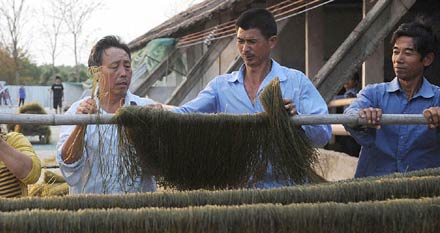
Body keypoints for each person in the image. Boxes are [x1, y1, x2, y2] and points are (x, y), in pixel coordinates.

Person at [174, 8, 331, 188]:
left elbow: (322, 135)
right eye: (240, 41)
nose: (245, 49)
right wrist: (158, 113)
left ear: (272, 42)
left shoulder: (296, 82)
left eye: (252, 42)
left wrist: (298, 119)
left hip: (287, 191)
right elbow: (186, 113)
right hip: (236, 191)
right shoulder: (221, 87)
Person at [56, 35, 157, 194]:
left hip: (139, 212)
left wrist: (157, 127)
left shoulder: (144, 109)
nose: (123, 73)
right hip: (91, 212)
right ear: (96, 72)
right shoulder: (77, 112)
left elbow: (159, 166)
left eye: (127, 66)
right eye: (115, 66)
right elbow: (68, 165)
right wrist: (81, 125)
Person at [343, 20, 440, 178]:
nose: (398, 59)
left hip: (423, 191)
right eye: (396, 51)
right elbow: (350, 114)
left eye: (408, 53)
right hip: (374, 190)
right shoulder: (373, 93)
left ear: (427, 59)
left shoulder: (438, 98)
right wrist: (361, 115)